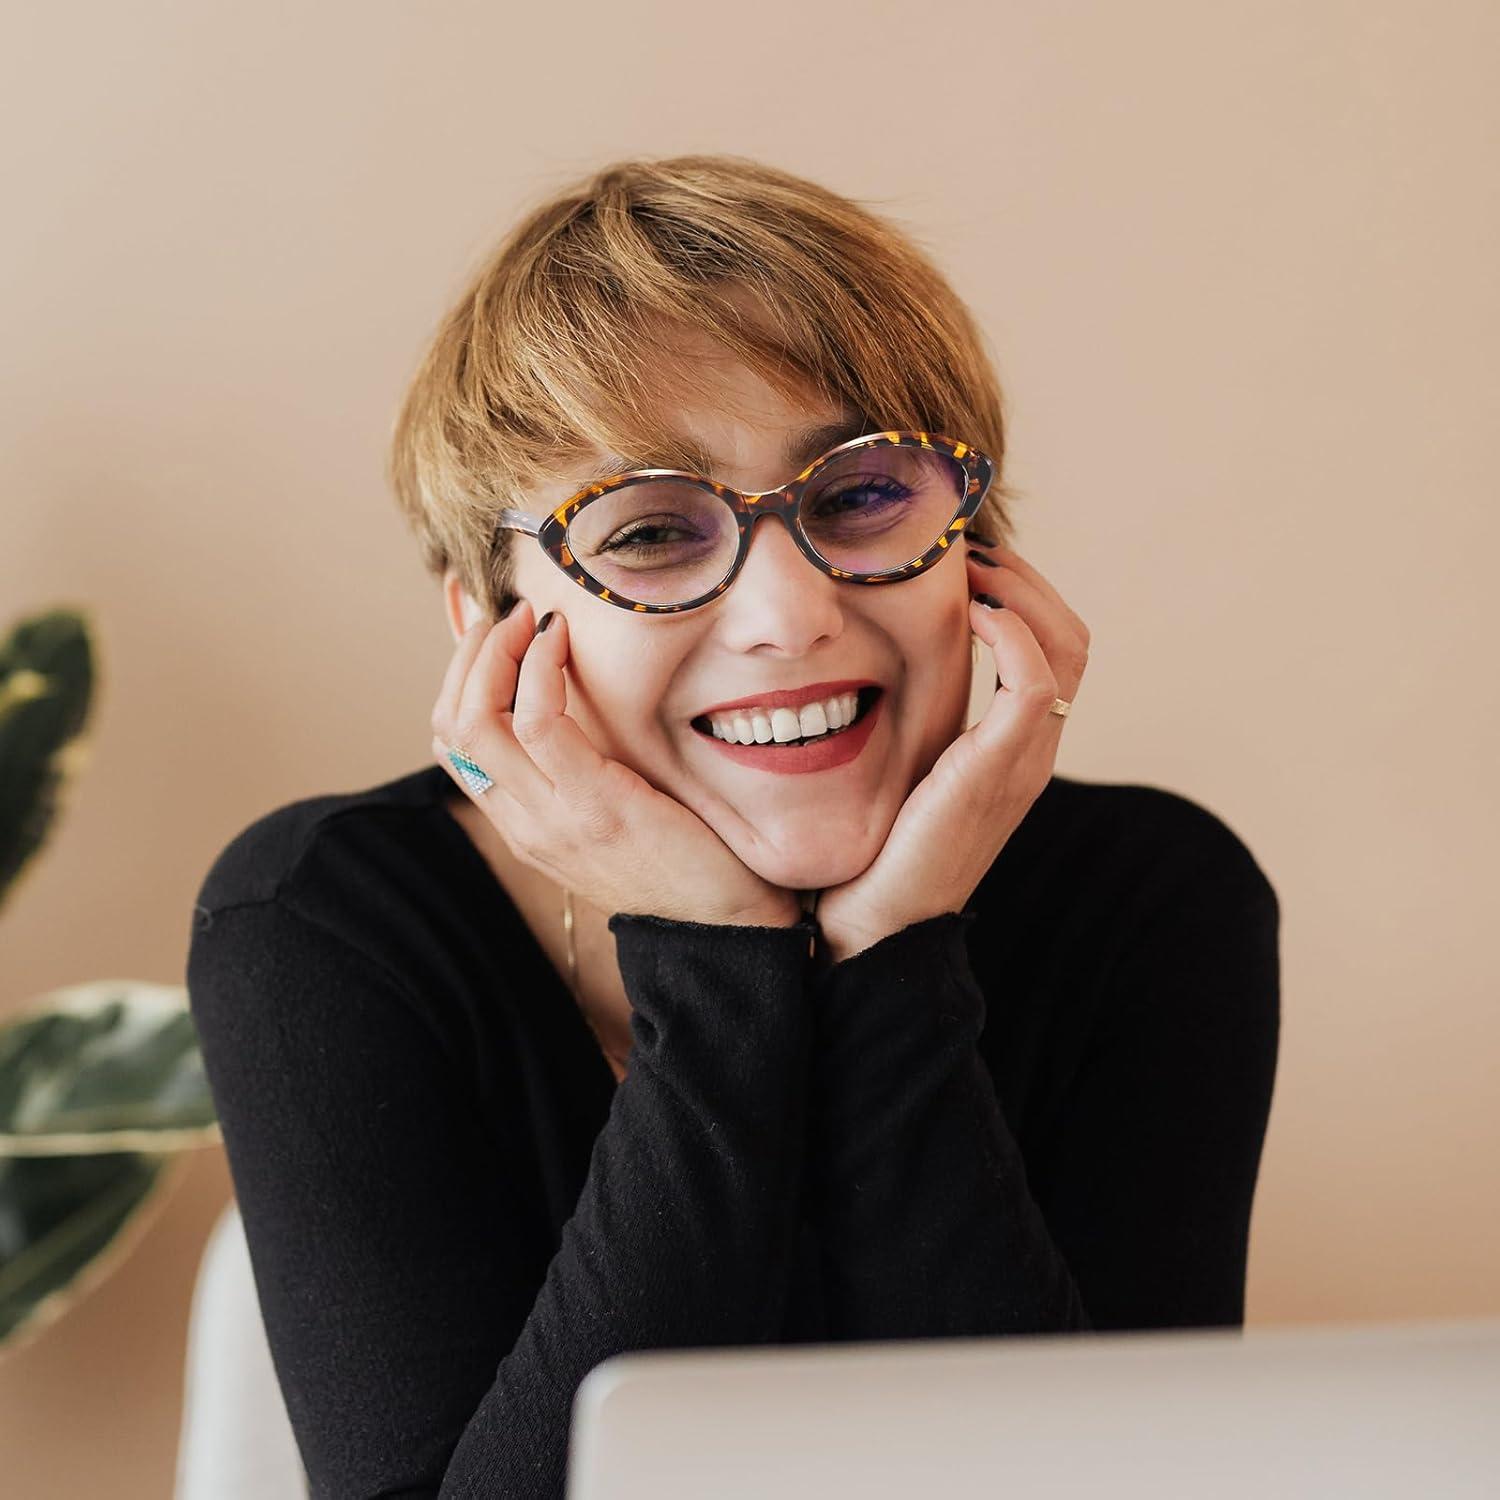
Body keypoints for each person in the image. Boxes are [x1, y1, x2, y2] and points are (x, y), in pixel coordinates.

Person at [186, 154, 1280, 1499]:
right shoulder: (326, 922)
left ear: (980, 554)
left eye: (860, 494)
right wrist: (715, 956)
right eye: (650, 533)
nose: (789, 615)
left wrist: (891, 954)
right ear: (490, 629)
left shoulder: (1153, 899)